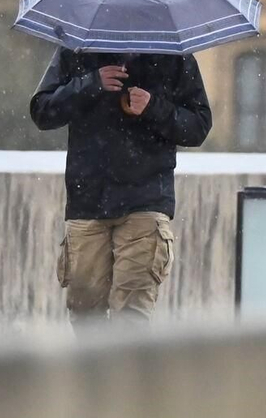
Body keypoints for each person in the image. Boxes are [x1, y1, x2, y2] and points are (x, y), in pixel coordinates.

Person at [30, 49, 212, 325]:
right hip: (88, 200)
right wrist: (91, 84)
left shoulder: (173, 56)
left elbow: (198, 126)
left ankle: (125, 355)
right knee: (85, 313)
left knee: (131, 317)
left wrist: (153, 107)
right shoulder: (77, 51)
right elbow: (42, 111)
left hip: (145, 201)